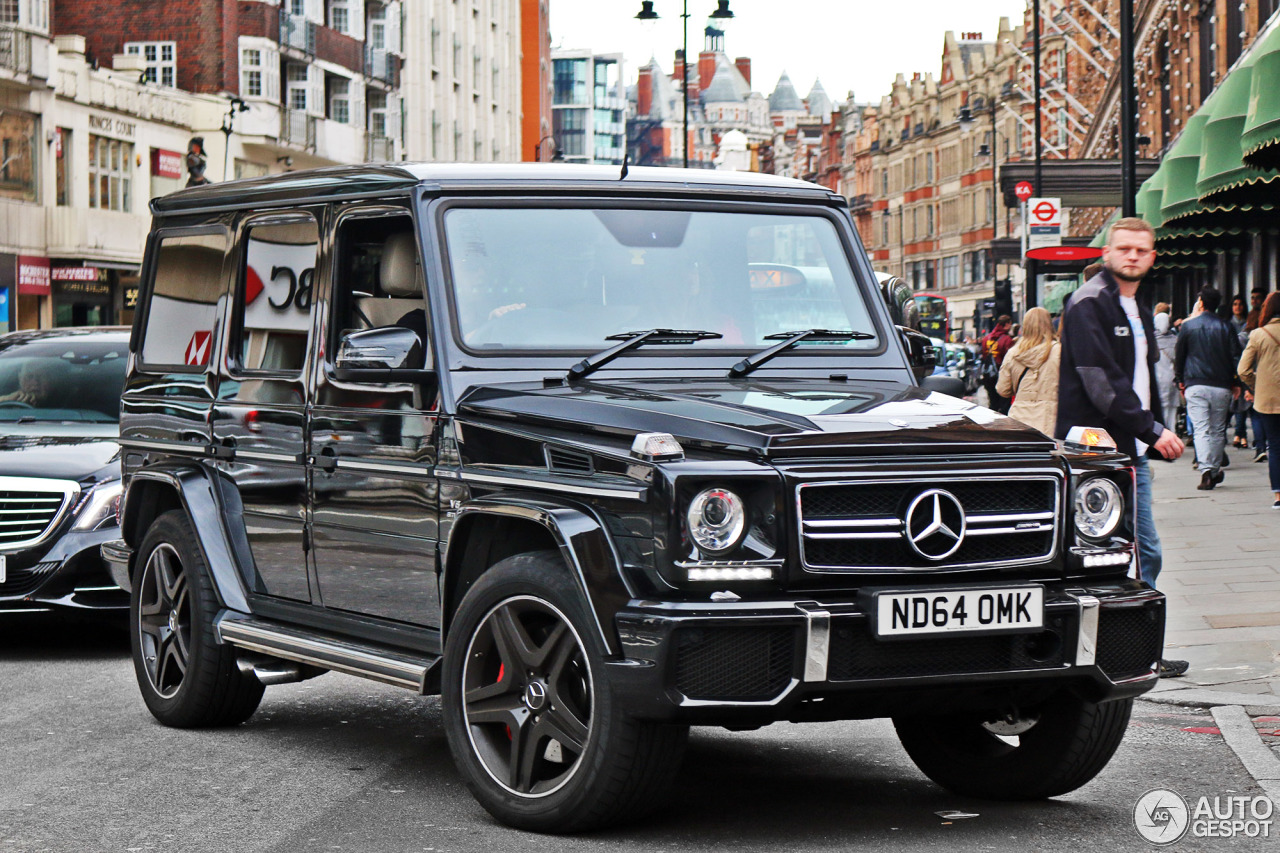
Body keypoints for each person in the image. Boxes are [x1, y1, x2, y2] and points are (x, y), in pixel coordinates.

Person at [1055, 217, 1187, 678]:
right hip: (1096, 453)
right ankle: (1126, 647)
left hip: (1128, 449)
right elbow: (1100, 383)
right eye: (1124, 248)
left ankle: (1134, 644)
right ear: (1108, 252)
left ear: (1152, 257)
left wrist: (1151, 430)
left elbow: (1143, 381)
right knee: (1120, 549)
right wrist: (1155, 431)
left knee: (1139, 548)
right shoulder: (1088, 302)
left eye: (1141, 250)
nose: (1132, 256)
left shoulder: (1137, 308)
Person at [1175, 287, 1242, 490]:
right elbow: (1235, 356)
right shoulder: (1226, 326)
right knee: (1217, 429)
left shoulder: (1188, 327)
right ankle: (1212, 470)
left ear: (1201, 303)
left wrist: (1180, 380)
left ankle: (1206, 470)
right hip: (1221, 384)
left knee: (1201, 429)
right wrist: (1237, 382)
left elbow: (1180, 355)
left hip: (1195, 382)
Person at [1237, 291, 1280, 509]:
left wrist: (1257, 385)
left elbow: (1243, 370)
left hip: (1268, 400)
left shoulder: (1258, 334)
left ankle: (1278, 496)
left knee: (1275, 445)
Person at [995, 306, 1059, 435]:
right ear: (1049, 324)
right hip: (1051, 418)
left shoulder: (1013, 353)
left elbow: (1003, 390)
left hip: (1019, 419)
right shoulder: (1059, 351)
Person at [1246, 287, 1271, 462]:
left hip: (1261, 378)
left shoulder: (1255, 333)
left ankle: (1260, 445)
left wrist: (1251, 384)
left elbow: (1243, 368)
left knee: (1256, 414)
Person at [980, 314, 1015, 415]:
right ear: (1007, 324)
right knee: (1004, 404)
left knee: (992, 402)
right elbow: (1010, 359)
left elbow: (983, 355)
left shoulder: (986, 339)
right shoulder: (1007, 340)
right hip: (1001, 375)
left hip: (988, 374)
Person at [1153, 310, 1180, 433]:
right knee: (1171, 411)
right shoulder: (1175, 340)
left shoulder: (1151, 340)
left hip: (1159, 379)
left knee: (1162, 410)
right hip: (1171, 379)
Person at [0, 360, 66, 407]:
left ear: (51, 379)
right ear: (20, 378)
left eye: (41, 376)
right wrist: (6, 400)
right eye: (29, 377)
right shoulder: (7, 394)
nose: (35, 382)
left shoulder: (65, 402)